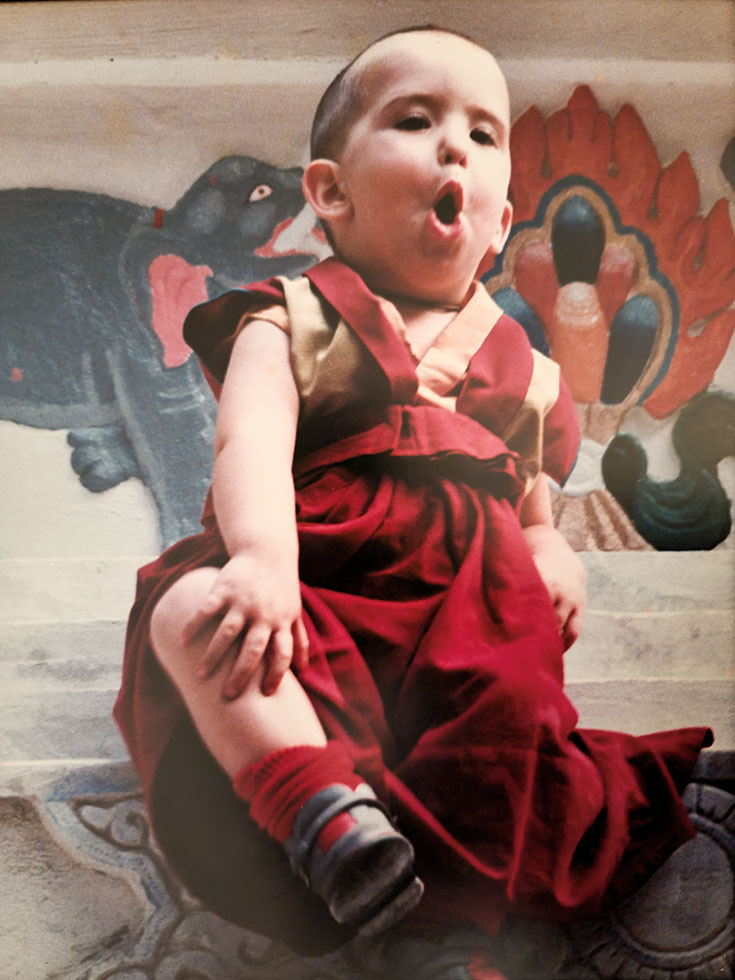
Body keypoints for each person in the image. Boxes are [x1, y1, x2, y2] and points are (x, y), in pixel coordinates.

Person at [114, 25, 712, 978]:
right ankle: (317, 811)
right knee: (191, 611)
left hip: (472, 604)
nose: (453, 148)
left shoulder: (522, 364)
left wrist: (549, 552)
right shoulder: (291, 315)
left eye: (482, 135)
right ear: (329, 192)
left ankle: (446, 927)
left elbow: (529, 497)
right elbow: (250, 444)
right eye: (415, 118)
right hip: (320, 577)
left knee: (500, 732)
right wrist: (264, 563)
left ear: (499, 214)